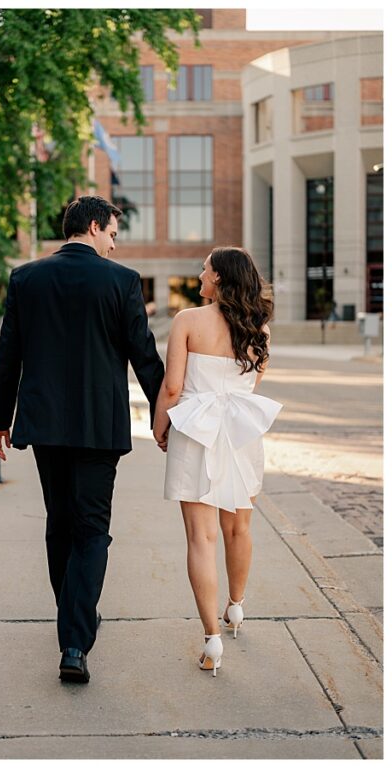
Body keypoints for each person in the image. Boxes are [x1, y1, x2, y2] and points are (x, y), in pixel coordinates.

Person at [0, 195, 165, 684]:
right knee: (91, 529)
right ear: (92, 225)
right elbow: (144, 357)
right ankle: (74, 641)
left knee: (60, 524)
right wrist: (165, 412)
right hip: (98, 427)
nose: (114, 242)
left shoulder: (27, 278)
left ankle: (73, 619)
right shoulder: (122, 281)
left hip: (44, 426)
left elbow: (9, 355)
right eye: (111, 232)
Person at [154, 247, 281, 676]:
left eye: (206, 269)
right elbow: (250, 385)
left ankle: (212, 639)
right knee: (239, 525)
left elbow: (173, 386)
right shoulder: (259, 330)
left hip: (195, 429)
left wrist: (159, 425)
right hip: (240, 432)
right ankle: (237, 607)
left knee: (200, 538)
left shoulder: (188, 321)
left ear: (221, 279)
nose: (200, 274)